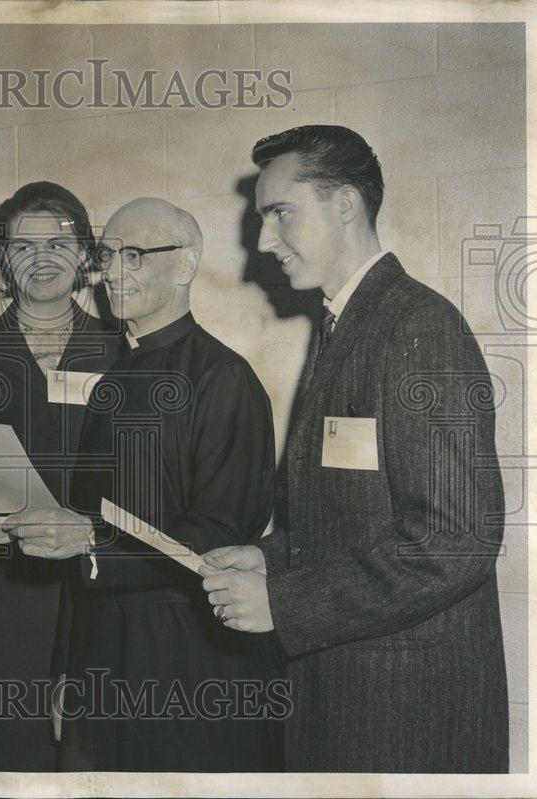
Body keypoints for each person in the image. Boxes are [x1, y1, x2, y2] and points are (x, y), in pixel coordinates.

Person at [201, 125, 509, 772]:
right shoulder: (345, 325)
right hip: (343, 699)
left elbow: (456, 540)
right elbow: (349, 520)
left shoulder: (419, 327)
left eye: (280, 213)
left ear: (345, 203)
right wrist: (267, 556)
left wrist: (285, 602)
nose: (263, 241)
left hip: (407, 718)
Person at [3, 198, 281, 772]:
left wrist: (91, 541)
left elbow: (222, 529)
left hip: (189, 657)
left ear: (185, 265)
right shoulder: (112, 378)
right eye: (108, 256)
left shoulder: (223, 377)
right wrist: (65, 670)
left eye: (136, 255)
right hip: (100, 658)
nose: (115, 272)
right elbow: (81, 536)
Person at [0, 182, 120, 771]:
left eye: (58, 244)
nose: (42, 259)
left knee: (95, 751)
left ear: (87, 257)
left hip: (99, 580)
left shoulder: (122, 351)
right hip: (3, 587)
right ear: (3, 259)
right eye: (23, 246)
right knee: (4, 749)